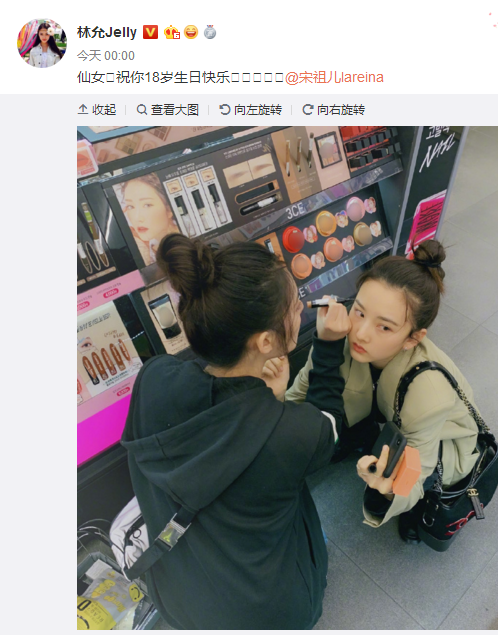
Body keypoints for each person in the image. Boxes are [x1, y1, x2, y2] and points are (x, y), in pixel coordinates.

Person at [122, 234, 352, 629]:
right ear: (266, 341)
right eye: (295, 306)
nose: (301, 309)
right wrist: (329, 346)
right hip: (265, 612)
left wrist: (261, 397)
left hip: (181, 594)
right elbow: (330, 425)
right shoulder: (293, 434)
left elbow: (215, 418)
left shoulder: (153, 378)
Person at [286, 240, 481, 543]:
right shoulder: (339, 331)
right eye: (360, 312)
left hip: (440, 442)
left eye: (385, 327)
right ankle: (358, 439)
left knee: (406, 477)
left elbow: (418, 469)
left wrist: (389, 492)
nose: (361, 333)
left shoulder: (429, 394)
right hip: (385, 413)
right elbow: (300, 393)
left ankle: (413, 510)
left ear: (413, 338)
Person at [119, 174, 180, 266]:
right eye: (130, 206)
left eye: (147, 205)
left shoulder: (190, 238)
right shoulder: (150, 246)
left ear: (169, 209)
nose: (137, 218)